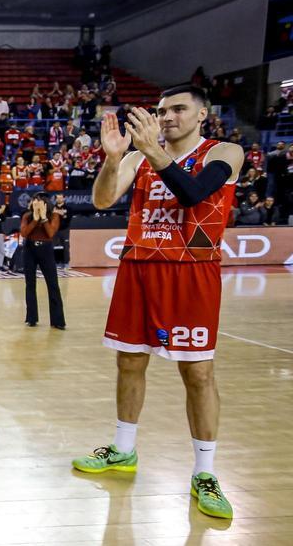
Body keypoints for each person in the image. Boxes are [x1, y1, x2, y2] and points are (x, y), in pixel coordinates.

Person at [73, 86, 244, 520]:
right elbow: (102, 200)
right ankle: (123, 450)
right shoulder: (136, 158)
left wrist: (153, 151)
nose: (167, 117)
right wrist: (114, 159)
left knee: (198, 373)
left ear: (202, 113)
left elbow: (194, 194)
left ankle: (204, 473)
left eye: (178, 109)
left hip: (191, 270)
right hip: (138, 267)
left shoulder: (223, 152)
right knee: (129, 363)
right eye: (162, 110)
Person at [20, 193, 66, 330]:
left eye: (39, 202)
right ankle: (31, 318)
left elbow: (51, 233)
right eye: (34, 201)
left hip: (45, 249)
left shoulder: (54, 215)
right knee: (30, 284)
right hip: (29, 249)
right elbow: (24, 233)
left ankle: (58, 320)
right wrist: (34, 220)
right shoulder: (27, 216)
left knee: (53, 284)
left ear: (46, 204)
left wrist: (44, 218)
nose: (36, 204)